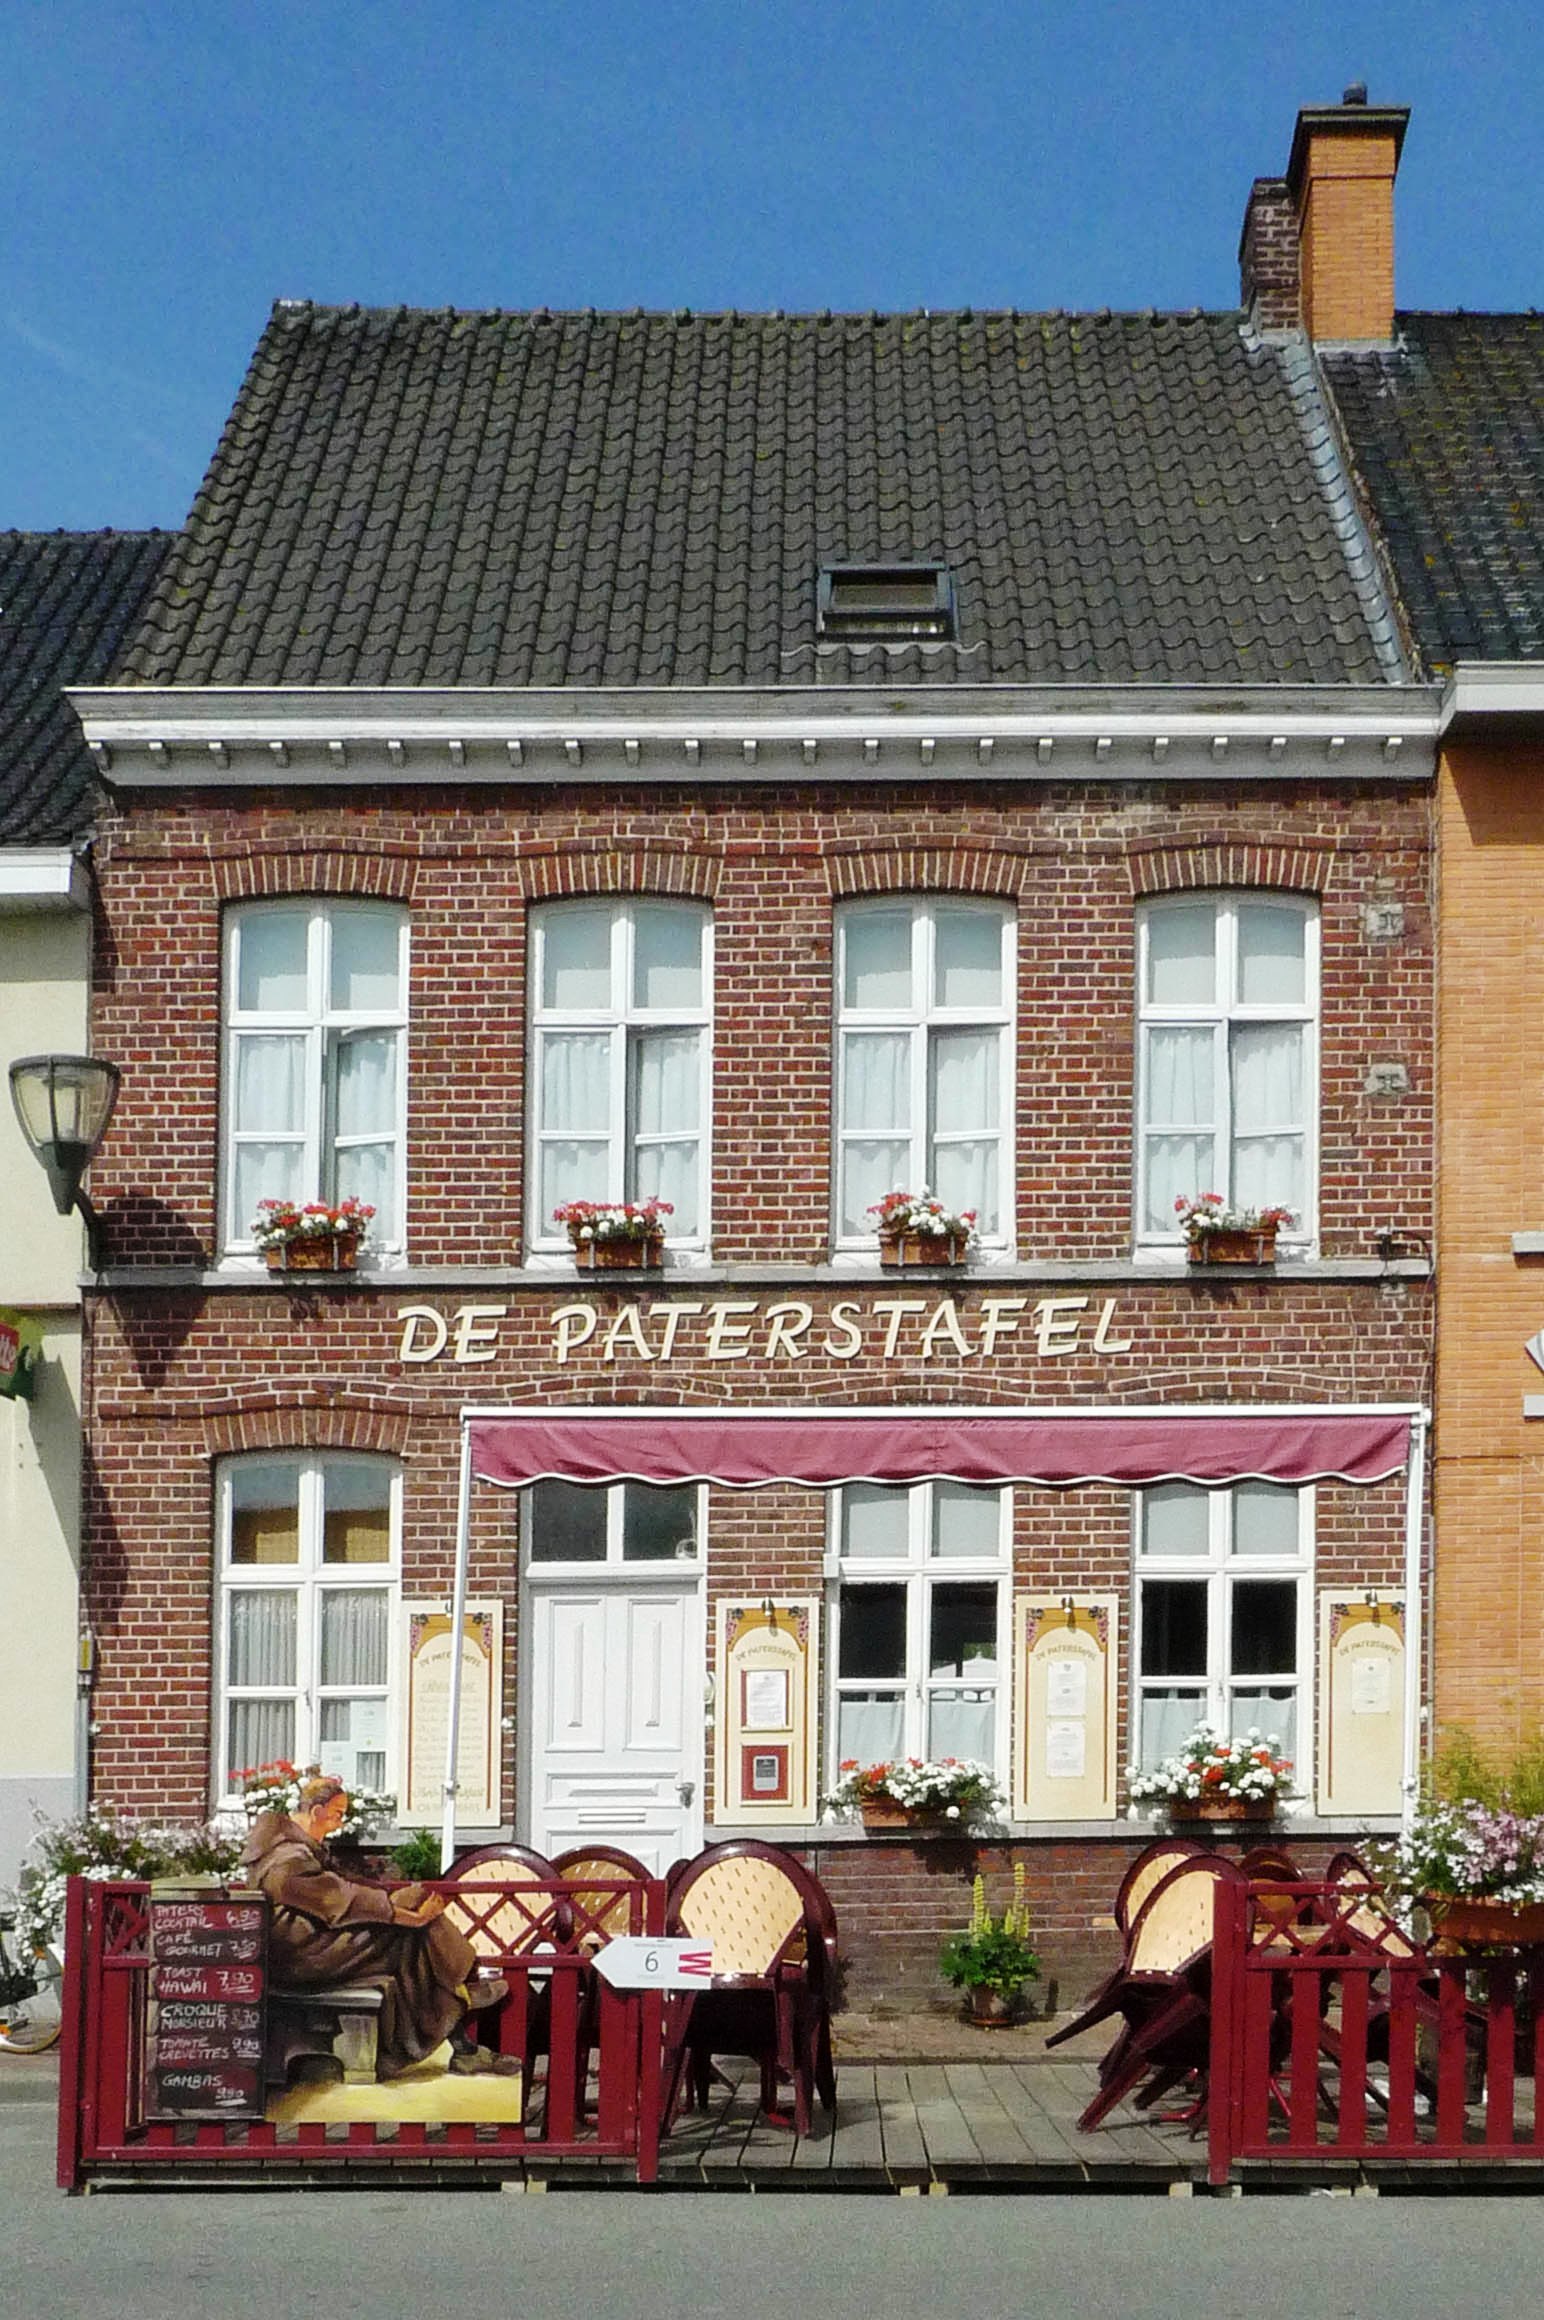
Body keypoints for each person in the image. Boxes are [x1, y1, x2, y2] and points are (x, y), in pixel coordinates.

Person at [240, 1773, 508, 2078]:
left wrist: (398, 1903)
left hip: (316, 1941)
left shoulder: (296, 1847)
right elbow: (341, 1899)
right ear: (316, 1811)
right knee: (411, 1934)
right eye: (337, 1814)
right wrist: (414, 1917)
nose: (340, 1823)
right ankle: (461, 1996)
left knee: (414, 1901)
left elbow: (346, 1886)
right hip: (301, 1956)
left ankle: (460, 2002)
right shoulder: (288, 1858)